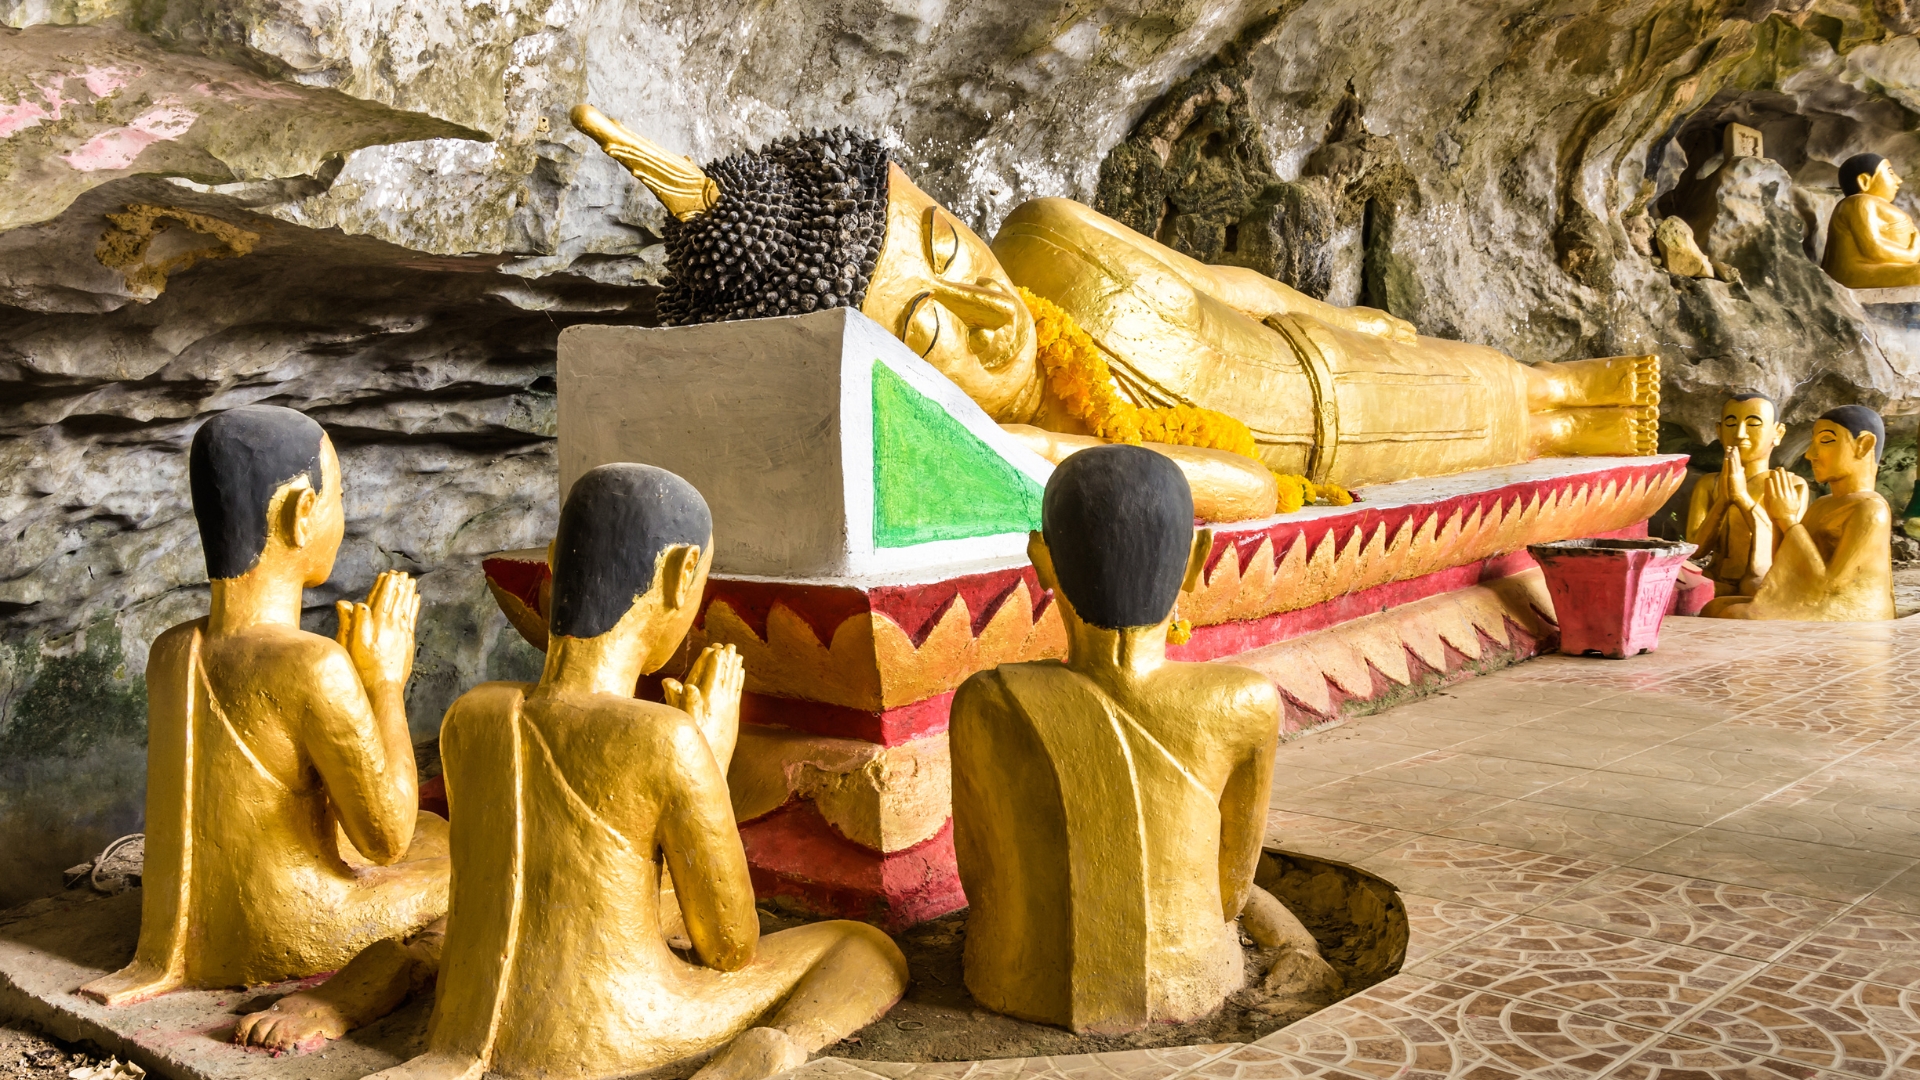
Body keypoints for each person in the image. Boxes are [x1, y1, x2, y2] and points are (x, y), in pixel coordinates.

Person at [570, 107, 1659, 514]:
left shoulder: (1049, 238)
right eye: (932, 333)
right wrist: (1046, 454)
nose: (987, 309)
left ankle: (1579, 402)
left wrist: (1337, 319)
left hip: (1302, 352)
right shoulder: (1024, 450)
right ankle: (1570, 422)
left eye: (946, 247)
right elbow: (1242, 490)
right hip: (1321, 437)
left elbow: (1209, 282)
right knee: (1509, 421)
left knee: (1508, 381)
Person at [244, 463, 910, 1080]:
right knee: (863, 948)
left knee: (452, 922)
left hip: (468, 1019)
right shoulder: (665, 738)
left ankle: (345, 1004)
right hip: (620, 1024)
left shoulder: (472, 717)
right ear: (680, 577)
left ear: (555, 565)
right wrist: (710, 759)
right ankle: (775, 1047)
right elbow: (731, 946)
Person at [949, 445, 1333, 1034]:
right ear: (1198, 558)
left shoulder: (986, 702)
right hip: (1195, 978)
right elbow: (1229, 892)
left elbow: (980, 880)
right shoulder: (1245, 703)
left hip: (1012, 978)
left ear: (1042, 560)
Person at [82, 406, 447, 1006]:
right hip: (289, 923)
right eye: (338, 497)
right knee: (459, 858)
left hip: (193, 924)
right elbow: (387, 838)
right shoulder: (311, 664)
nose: (342, 517)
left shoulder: (171, 649)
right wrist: (383, 683)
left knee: (430, 832)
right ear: (301, 514)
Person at [1704, 405, 1894, 621]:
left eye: (1826, 441)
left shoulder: (1871, 509)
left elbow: (1830, 585)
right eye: (1813, 442)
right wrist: (1778, 519)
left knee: (1734, 614)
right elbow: (1788, 563)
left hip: (1847, 604)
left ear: (1863, 445)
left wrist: (1789, 520)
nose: (1810, 454)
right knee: (1714, 608)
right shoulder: (1822, 503)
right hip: (1815, 594)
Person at [1686, 393, 1791, 596]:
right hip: (1714, 577)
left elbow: (1788, 549)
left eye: (1753, 424)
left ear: (1778, 433)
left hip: (1761, 580)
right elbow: (1695, 550)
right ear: (1719, 430)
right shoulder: (1709, 484)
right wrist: (1724, 500)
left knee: (1756, 588)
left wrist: (1741, 497)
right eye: (1731, 424)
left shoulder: (1788, 485)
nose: (1740, 433)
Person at [1821, 153, 1920, 289]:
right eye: (1890, 173)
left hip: (1887, 265)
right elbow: (1872, 248)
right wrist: (1912, 254)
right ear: (1864, 181)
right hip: (1855, 272)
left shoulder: (1872, 204)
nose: (1898, 180)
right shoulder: (1859, 202)